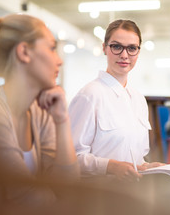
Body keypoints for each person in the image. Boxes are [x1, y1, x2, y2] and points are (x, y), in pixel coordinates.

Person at [0, 14, 79, 204]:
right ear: (24, 52)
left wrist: (62, 120)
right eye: (52, 48)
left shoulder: (40, 112)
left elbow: (67, 186)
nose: (59, 60)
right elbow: (24, 197)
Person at [69, 19, 163, 182]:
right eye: (117, 46)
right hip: (98, 193)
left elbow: (135, 157)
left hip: (132, 192)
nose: (124, 55)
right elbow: (69, 159)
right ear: (105, 48)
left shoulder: (139, 100)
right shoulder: (89, 96)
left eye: (132, 48)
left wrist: (146, 166)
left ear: (138, 52)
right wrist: (110, 166)